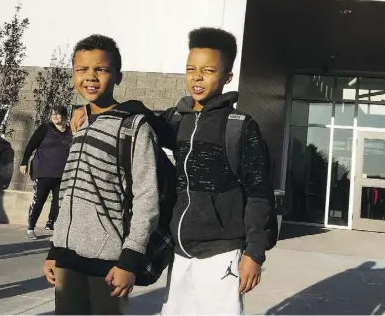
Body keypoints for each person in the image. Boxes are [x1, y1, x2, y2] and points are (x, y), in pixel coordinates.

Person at [71, 27, 276, 315]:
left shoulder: (239, 126)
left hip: (222, 251)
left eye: (208, 70)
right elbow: (141, 116)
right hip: (179, 250)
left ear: (227, 77)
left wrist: (254, 253)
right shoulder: (177, 119)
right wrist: (89, 108)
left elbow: (259, 193)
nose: (197, 77)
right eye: (191, 69)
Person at [43, 35, 160, 314]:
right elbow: (69, 191)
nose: (90, 77)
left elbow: (147, 196)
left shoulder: (133, 126)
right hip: (68, 261)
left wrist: (130, 258)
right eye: (82, 69)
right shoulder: (80, 123)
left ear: (118, 75)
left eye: (101, 69)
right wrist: (55, 250)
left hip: (109, 262)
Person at [20, 106, 72, 240]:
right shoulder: (45, 128)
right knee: (39, 200)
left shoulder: (70, 132)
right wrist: (24, 162)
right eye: (53, 114)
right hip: (43, 171)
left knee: (58, 202)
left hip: (62, 173)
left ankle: (53, 225)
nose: (55, 116)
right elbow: (31, 145)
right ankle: (31, 228)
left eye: (58, 114)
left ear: (65, 116)